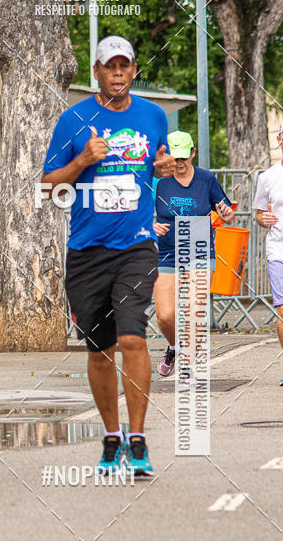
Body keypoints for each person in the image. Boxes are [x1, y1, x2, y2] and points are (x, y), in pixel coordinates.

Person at [41, 35, 176, 475]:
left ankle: (138, 440)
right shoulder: (73, 119)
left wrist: (162, 168)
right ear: (95, 72)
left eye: (125, 66)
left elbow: (161, 165)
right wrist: (81, 161)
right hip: (86, 251)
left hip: (136, 246)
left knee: (134, 337)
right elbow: (49, 186)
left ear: (134, 70)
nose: (117, 73)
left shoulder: (153, 116)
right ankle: (111, 436)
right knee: (100, 350)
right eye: (109, 67)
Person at [153, 131, 234, 379]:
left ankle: (187, 364)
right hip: (168, 253)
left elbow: (226, 211)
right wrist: (149, 225)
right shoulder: (158, 182)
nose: (179, 163)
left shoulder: (206, 179)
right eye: (174, 158)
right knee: (165, 315)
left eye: (183, 157)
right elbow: (137, 213)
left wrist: (226, 215)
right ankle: (174, 347)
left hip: (199, 248)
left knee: (195, 307)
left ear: (192, 153)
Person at [253, 123, 283, 384]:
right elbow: (258, 213)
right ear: (279, 140)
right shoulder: (268, 177)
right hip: (278, 250)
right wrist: (263, 219)